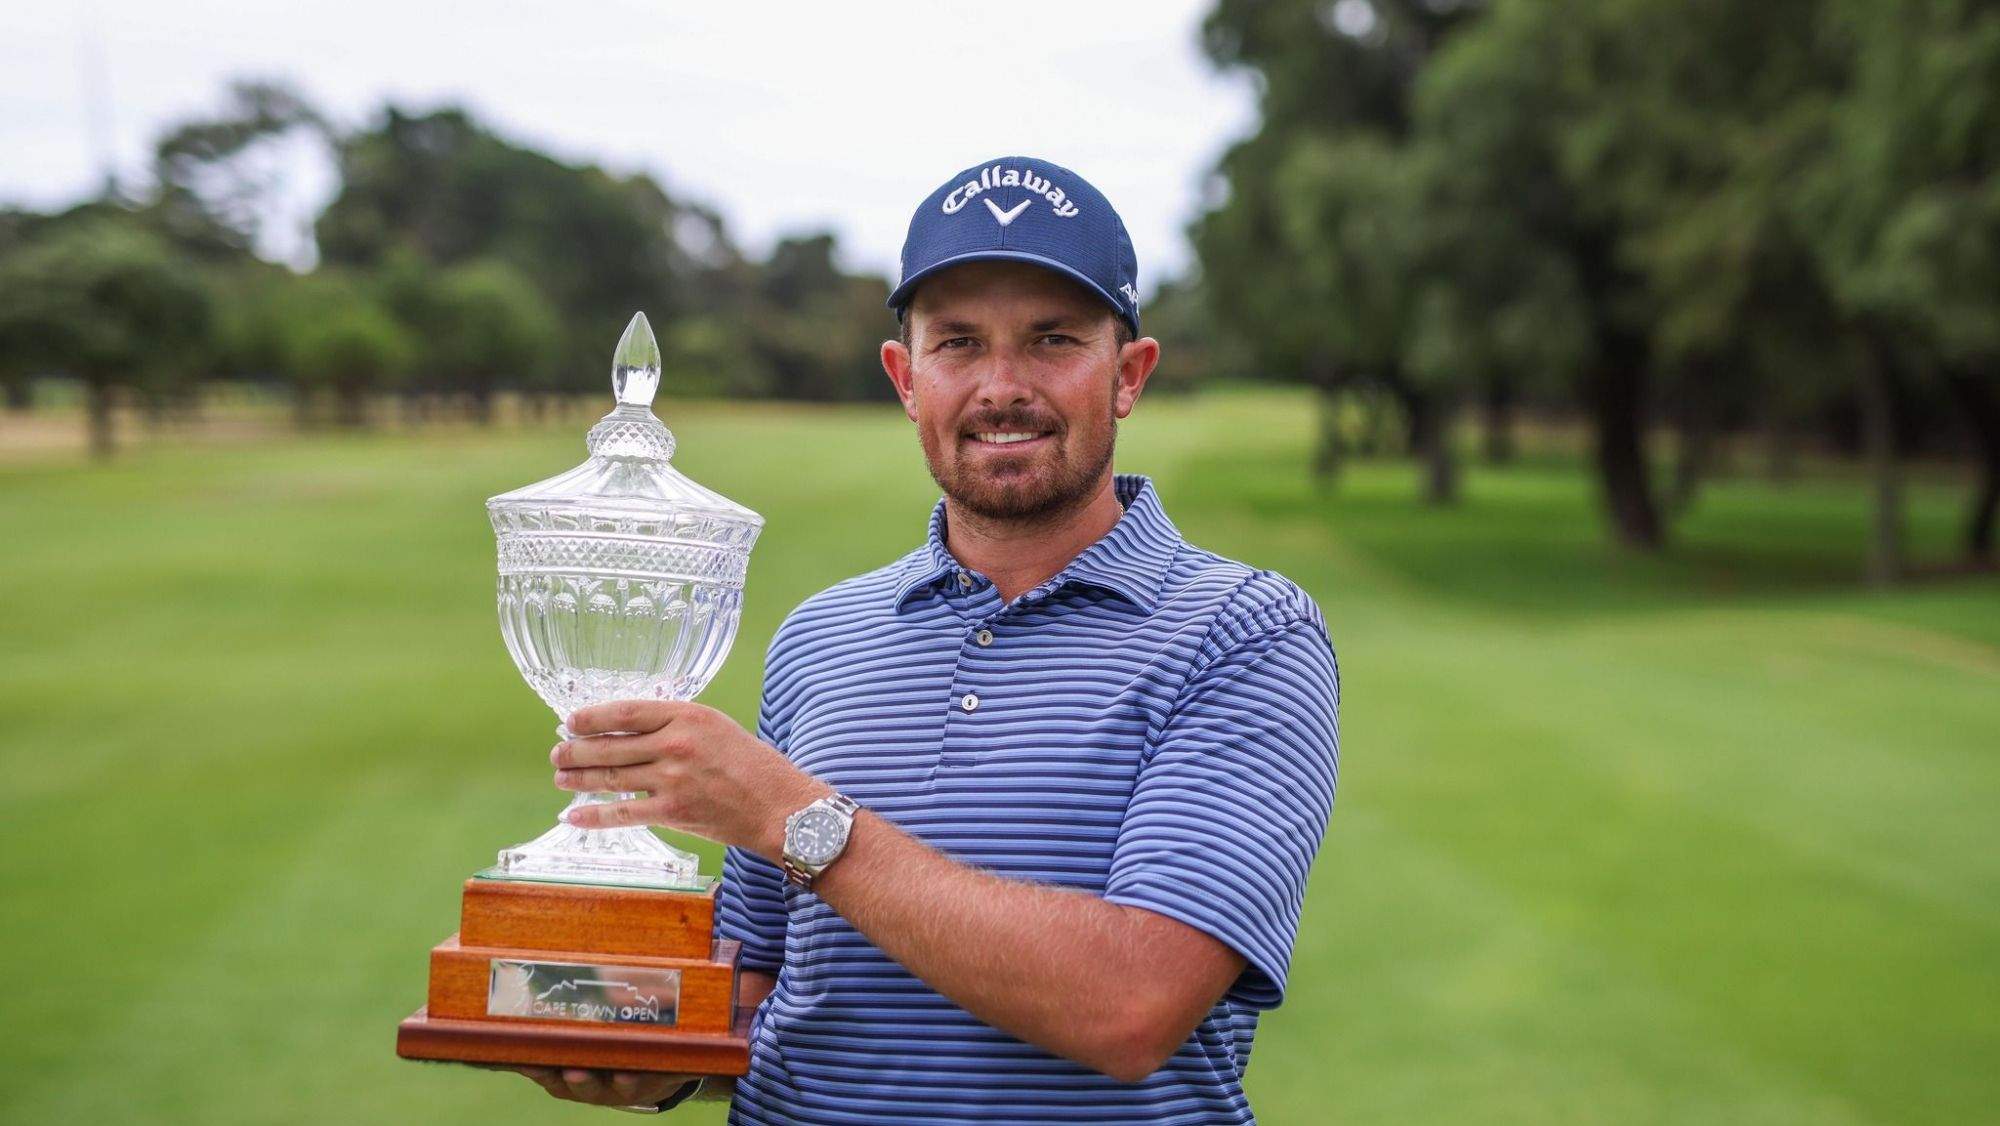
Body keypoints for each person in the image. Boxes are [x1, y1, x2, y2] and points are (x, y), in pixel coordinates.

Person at [508, 156, 1340, 1121]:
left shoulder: (1244, 633)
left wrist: (795, 816)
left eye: (1053, 340)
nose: (1001, 386)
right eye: (957, 344)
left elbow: (1134, 1005)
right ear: (907, 378)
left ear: (1129, 374)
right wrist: (618, 1036)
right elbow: (752, 993)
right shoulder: (822, 636)